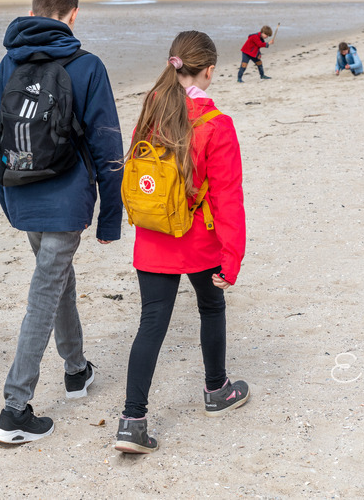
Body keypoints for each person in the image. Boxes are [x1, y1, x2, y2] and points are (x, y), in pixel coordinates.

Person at [0, 0, 124, 444]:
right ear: (73, 14)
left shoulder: (10, 62)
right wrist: (110, 216)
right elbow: (108, 149)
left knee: (57, 278)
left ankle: (76, 369)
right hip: (66, 201)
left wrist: (8, 200)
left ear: (31, 12)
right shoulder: (88, 66)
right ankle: (14, 409)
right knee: (44, 294)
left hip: (22, 192)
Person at [114, 30, 249, 454]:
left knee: (151, 323)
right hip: (199, 241)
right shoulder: (216, 125)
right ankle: (216, 390)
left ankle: (131, 422)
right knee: (211, 307)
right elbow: (227, 196)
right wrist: (233, 256)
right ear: (209, 71)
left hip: (153, 236)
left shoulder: (152, 109)